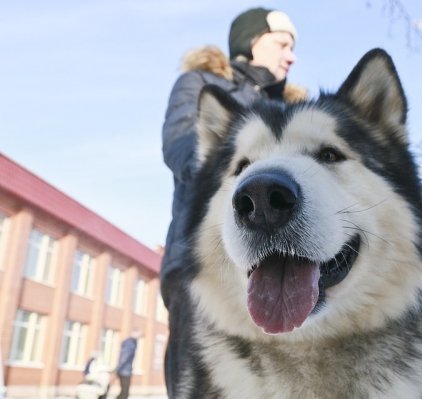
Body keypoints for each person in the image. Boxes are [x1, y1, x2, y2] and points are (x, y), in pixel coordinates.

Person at [160, 6, 306, 396]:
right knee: (200, 382)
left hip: (284, 260)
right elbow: (182, 148)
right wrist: (242, 178)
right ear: (252, 41)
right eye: (283, 43)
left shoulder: (294, 109)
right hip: (204, 261)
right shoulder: (203, 85)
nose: (291, 55)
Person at [115, 331, 142, 399]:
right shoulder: (130, 344)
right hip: (125, 371)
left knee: (124, 392)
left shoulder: (129, 343)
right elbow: (125, 357)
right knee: (125, 392)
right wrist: (119, 369)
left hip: (124, 370)